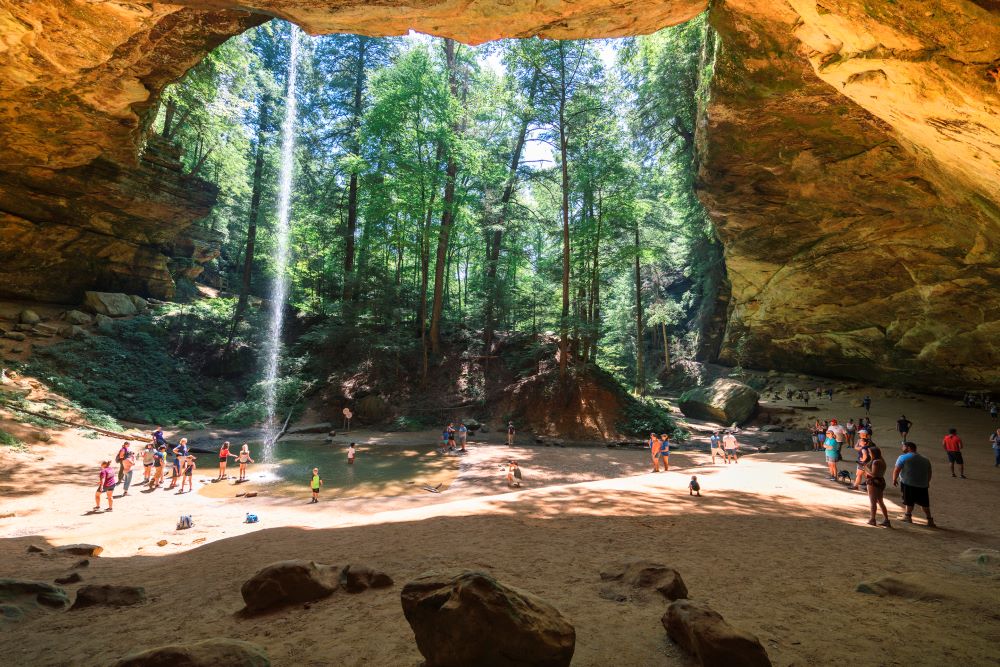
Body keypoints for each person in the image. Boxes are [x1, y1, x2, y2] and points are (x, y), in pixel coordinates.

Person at [893, 442, 935, 527]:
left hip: (908, 483)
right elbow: (929, 472)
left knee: (909, 501)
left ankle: (908, 517)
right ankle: (929, 520)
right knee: (924, 503)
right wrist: (927, 482)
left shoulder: (902, 457)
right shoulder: (925, 459)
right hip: (922, 485)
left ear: (908, 447)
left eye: (903, 446)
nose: (902, 448)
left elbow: (897, 470)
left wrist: (894, 479)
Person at [863, 446, 891, 527]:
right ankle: (886, 520)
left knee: (873, 502)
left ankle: (872, 519)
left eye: (869, 452)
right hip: (880, 481)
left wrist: (865, 468)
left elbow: (874, 474)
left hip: (874, 482)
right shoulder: (881, 460)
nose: (868, 453)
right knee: (880, 501)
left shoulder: (876, 462)